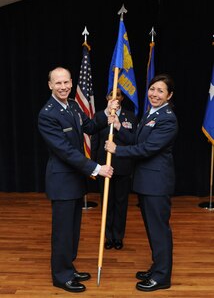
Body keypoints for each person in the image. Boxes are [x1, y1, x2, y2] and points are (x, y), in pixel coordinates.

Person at [38, 67, 118, 293]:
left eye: (66, 82)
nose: (63, 87)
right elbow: (65, 151)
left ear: (72, 83)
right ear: (50, 85)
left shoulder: (72, 105)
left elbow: (90, 127)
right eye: (58, 83)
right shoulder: (48, 113)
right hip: (62, 182)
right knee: (63, 232)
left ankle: (68, 268)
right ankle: (61, 276)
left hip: (75, 180)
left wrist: (106, 112)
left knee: (72, 230)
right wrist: (96, 168)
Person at [105, 74, 178, 292]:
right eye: (152, 89)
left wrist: (118, 149)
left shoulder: (168, 118)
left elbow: (147, 149)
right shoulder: (150, 112)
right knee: (152, 229)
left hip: (157, 183)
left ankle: (162, 277)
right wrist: (118, 126)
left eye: (160, 91)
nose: (154, 94)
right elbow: (138, 139)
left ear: (169, 95)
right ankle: (157, 268)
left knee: (159, 230)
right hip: (146, 182)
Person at [91, 88, 138, 250]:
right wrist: (94, 166)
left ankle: (118, 236)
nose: (115, 97)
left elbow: (133, 141)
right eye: (111, 94)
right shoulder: (99, 116)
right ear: (107, 97)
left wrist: (119, 127)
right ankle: (108, 236)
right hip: (104, 167)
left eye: (118, 95)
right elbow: (95, 143)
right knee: (107, 203)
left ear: (122, 98)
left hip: (123, 166)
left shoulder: (130, 117)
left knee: (120, 203)